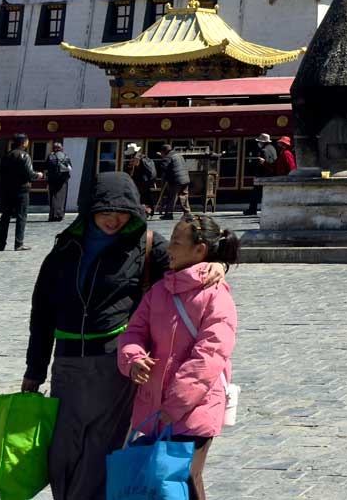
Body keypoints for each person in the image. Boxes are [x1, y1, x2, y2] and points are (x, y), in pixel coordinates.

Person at [25, 173, 199, 500]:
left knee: (100, 447)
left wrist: (210, 269)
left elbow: (186, 269)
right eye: (106, 210)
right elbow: (42, 311)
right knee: (63, 448)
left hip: (114, 364)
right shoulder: (66, 245)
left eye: (122, 212)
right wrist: (35, 369)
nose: (113, 218)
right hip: (67, 364)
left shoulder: (147, 246)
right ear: (90, 209)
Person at [117, 214, 239, 500]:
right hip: (153, 406)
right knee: (158, 484)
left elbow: (209, 356)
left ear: (200, 251)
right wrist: (132, 359)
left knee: (182, 481)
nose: (168, 248)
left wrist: (175, 404)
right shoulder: (159, 291)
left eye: (176, 242)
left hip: (194, 407)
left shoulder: (215, 295)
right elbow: (133, 332)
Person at [0, 135, 36, 251]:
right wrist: (38, 175)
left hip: (7, 190)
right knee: (21, 216)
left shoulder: (6, 155)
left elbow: (0, 173)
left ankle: (1, 244)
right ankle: (18, 243)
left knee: (5, 217)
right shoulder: (25, 156)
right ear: (24, 143)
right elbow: (29, 173)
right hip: (22, 189)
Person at [155, 143, 193, 221]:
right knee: (184, 196)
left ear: (164, 151)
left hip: (176, 180)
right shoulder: (179, 155)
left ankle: (169, 214)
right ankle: (187, 213)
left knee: (172, 197)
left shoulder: (168, 157)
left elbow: (163, 167)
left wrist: (165, 179)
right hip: (185, 178)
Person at [45, 143, 74, 222]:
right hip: (63, 181)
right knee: (62, 197)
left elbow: (46, 167)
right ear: (61, 148)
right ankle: (60, 215)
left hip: (52, 180)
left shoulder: (50, 156)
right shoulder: (65, 156)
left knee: (53, 197)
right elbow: (70, 167)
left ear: (54, 148)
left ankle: (52, 216)